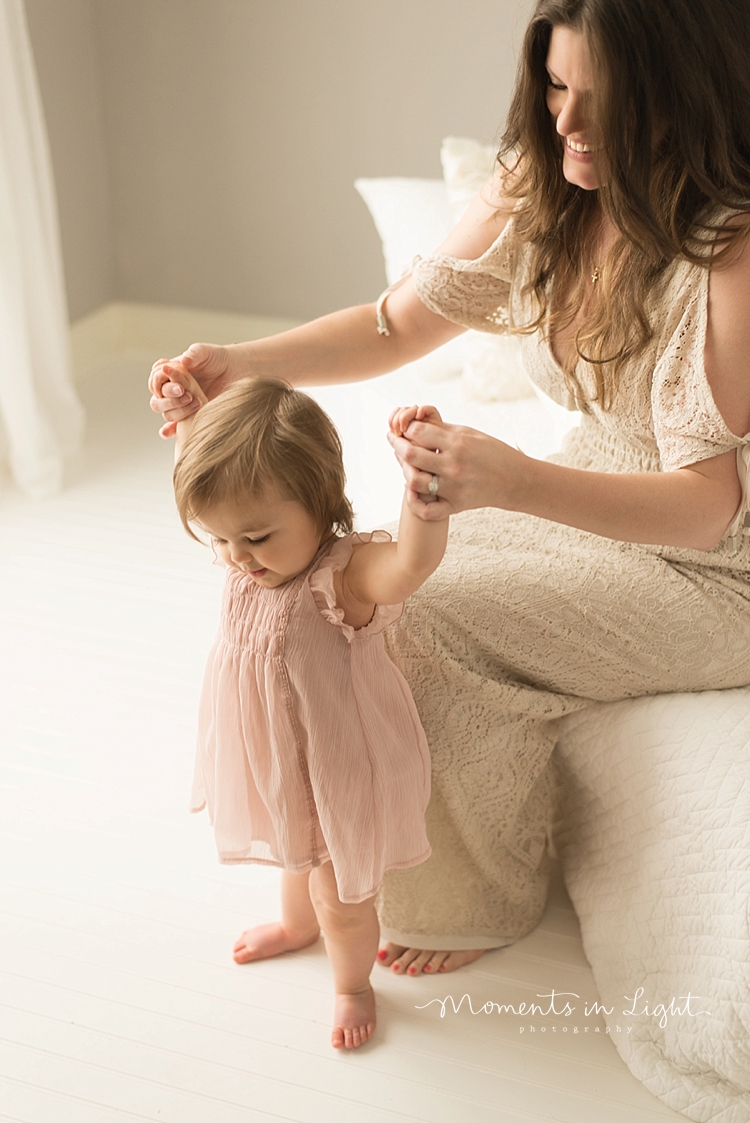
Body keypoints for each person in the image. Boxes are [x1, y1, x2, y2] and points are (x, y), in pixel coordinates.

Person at [150, 0, 750, 978]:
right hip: (603, 474)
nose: (569, 125)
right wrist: (238, 365)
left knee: (434, 614)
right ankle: (341, 842)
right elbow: (394, 327)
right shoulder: (544, 182)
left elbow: (708, 504)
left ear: (685, 94)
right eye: (556, 86)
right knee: (361, 576)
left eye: (607, 99)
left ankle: (478, 897)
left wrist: (509, 481)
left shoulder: (730, 245)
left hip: (721, 565)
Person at [167, 373, 448, 1048]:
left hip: (337, 760)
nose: (238, 557)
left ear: (320, 503)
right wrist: (189, 421)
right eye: (222, 539)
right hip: (272, 748)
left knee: (340, 894)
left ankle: (353, 981)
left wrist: (424, 494)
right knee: (295, 853)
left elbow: (410, 566)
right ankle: (297, 928)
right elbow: (212, 480)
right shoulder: (247, 548)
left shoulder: (342, 575)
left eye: (257, 537)